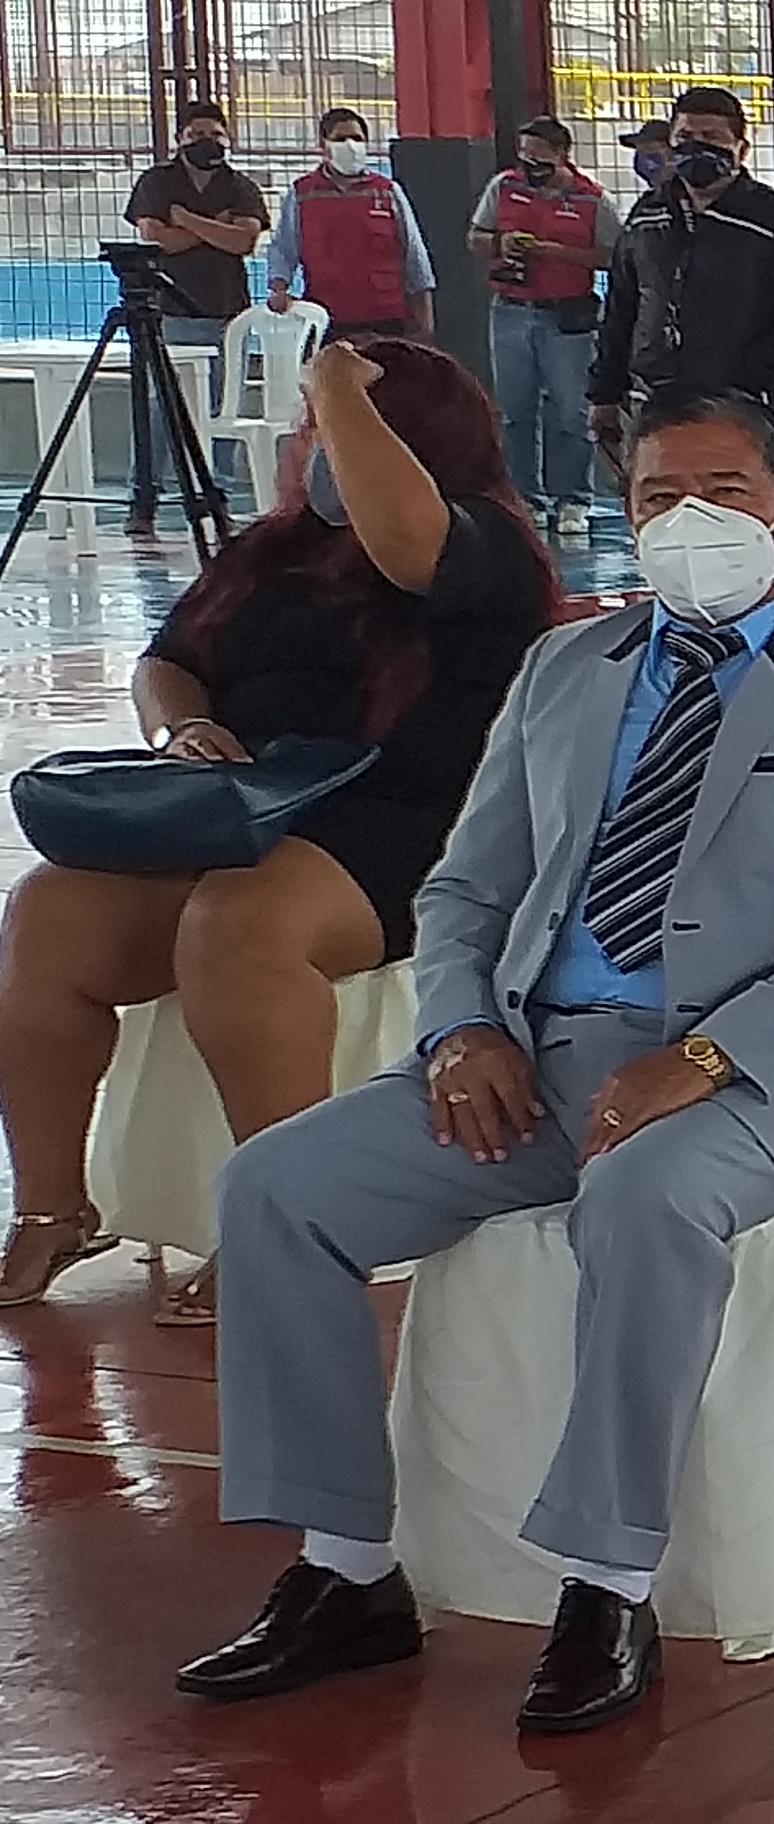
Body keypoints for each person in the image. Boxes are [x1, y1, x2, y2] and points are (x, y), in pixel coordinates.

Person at [178, 387, 774, 1736]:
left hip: (765, 1072)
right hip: (540, 1058)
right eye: (661, 497)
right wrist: (461, 1030)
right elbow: (466, 891)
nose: (691, 521)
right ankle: (347, 1567)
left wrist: (708, 1056)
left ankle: (608, 1582)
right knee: (277, 1189)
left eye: (726, 493)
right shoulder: (569, 668)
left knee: (645, 1197)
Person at [0, 337, 558, 1324]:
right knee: (49, 913)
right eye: (315, 429)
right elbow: (167, 660)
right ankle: (53, 1207)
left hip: (409, 822)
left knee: (243, 923)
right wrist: (180, 728)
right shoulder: (270, 551)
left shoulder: (486, 544)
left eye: (342, 431)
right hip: (244, 806)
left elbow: (404, 540)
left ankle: (287, 1216)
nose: (319, 447)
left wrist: (337, 381)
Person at [590, 85, 774, 455]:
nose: (697, 146)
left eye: (712, 138)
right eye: (685, 137)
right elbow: (621, 307)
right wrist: (604, 392)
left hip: (746, 406)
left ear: (741, 149)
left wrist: (749, 379)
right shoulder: (646, 215)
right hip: (651, 403)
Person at [118, 97, 268, 539]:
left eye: (215, 134)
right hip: (168, 315)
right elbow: (157, 240)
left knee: (222, 409)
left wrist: (186, 219)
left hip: (227, 314)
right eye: (197, 134)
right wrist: (216, 227)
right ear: (180, 139)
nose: (207, 141)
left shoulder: (241, 187)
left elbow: (244, 242)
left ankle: (219, 498)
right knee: (158, 409)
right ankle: (144, 499)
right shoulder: (157, 181)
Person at [467, 115, 610, 548]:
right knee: (515, 412)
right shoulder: (503, 187)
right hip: (510, 311)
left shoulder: (592, 199)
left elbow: (611, 255)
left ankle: (574, 499)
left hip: (567, 318)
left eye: (541, 160)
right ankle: (525, 498)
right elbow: (474, 236)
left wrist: (555, 253)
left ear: (563, 155)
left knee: (572, 413)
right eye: (525, 157)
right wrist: (500, 244)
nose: (531, 167)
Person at [266, 107, 433, 338]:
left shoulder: (387, 192)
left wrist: (425, 321)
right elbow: (284, 249)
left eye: (356, 138)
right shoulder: (302, 194)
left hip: (386, 319)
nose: (350, 145)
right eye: (340, 138)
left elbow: (415, 257)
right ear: (323, 145)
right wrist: (279, 288)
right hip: (327, 320)